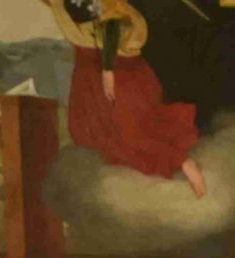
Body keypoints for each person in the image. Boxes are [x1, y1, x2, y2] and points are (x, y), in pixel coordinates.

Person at [40, 0, 206, 196]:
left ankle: (182, 163)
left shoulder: (104, 7)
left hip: (117, 68)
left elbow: (111, 20)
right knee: (87, 133)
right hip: (89, 68)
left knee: (130, 133)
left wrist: (108, 69)